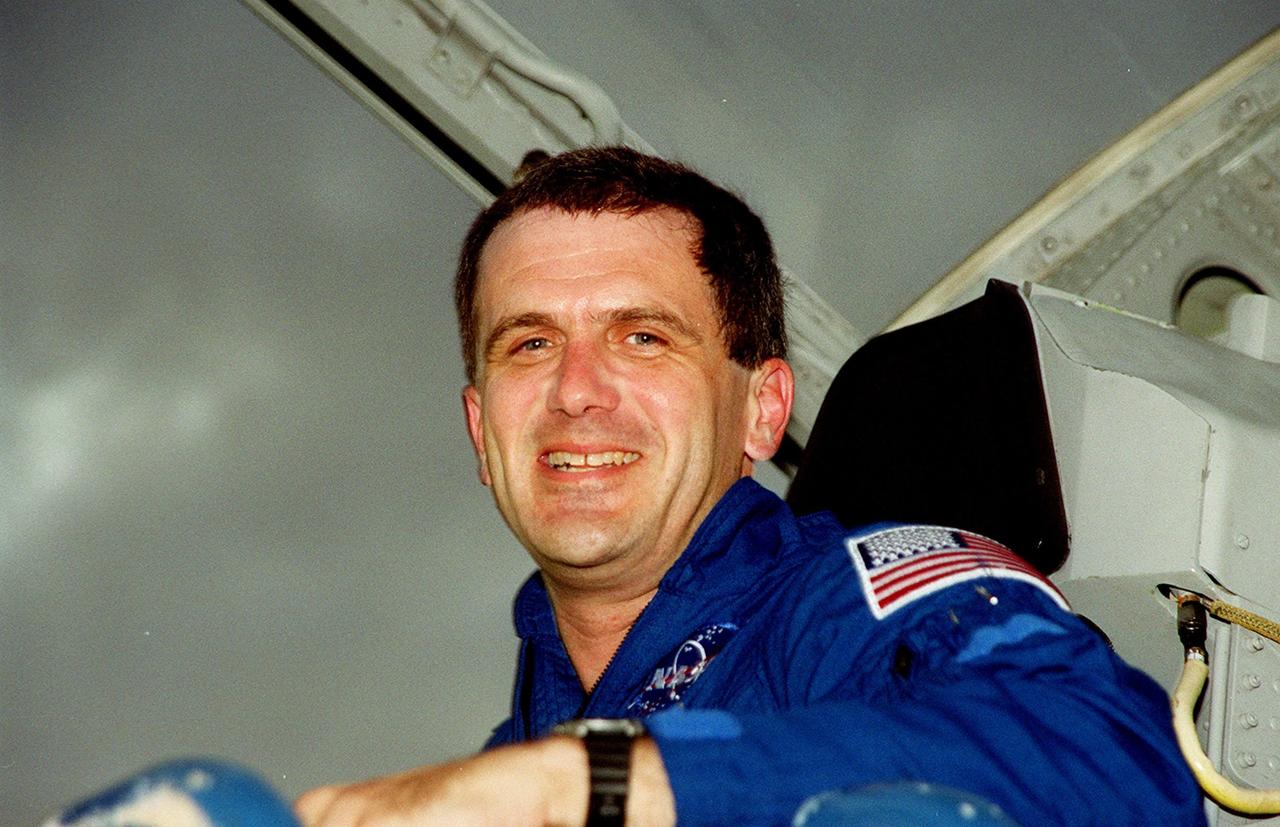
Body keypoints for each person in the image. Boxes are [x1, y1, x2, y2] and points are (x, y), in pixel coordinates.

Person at [295, 147, 1203, 825]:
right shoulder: (521, 748)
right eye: (529, 343)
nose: (575, 390)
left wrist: (597, 782)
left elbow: (1114, 761)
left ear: (763, 411)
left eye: (642, 337)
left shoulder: (844, 602)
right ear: (479, 428)